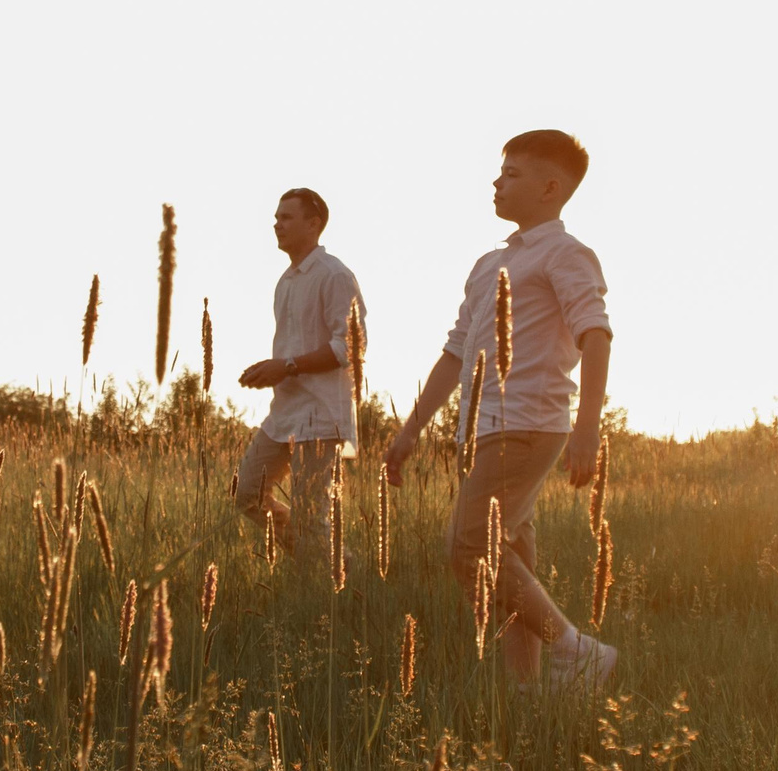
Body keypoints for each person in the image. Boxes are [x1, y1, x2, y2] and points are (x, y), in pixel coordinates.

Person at [384, 130, 616, 692]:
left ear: (551, 187)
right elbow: (455, 351)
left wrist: (588, 430)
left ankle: (578, 650)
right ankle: (525, 692)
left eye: (512, 173)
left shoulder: (566, 254)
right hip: (481, 430)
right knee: (512, 561)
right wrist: (411, 429)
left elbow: (596, 334)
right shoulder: (489, 264)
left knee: (469, 546)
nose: (497, 181)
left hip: (529, 423)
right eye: (500, 170)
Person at [234, 188, 364, 569]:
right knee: (246, 495)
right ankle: (334, 563)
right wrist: (268, 371)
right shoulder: (286, 281)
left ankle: (334, 578)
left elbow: (349, 348)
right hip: (284, 414)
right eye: (276, 217)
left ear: (314, 224)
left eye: (286, 217)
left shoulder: (335, 275)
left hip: (321, 417)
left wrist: (286, 366)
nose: (277, 224)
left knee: (312, 519)